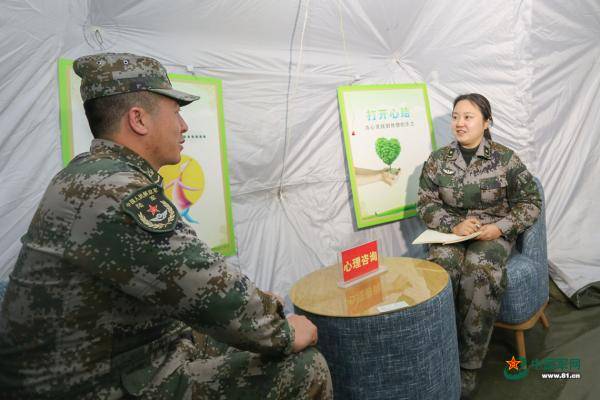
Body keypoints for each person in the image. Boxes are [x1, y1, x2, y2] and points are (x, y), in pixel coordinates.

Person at [0, 53, 332, 400]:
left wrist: (259, 308)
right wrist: (283, 330)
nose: (184, 126)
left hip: (102, 356)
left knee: (221, 332)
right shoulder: (115, 191)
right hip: (87, 383)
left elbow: (185, 282)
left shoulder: (88, 174)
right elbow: (208, 286)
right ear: (139, 119)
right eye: (176, 113)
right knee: (304, 367)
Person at [417, 93, 541, 397]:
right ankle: (440, 353)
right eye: (456, 116)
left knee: (480, 270)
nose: (460, 123)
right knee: (440, 270)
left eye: (468, 117)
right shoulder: (438, 160)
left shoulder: (505, 158)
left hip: (492, 235)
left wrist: (499, 228)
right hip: (452, 234)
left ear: (486, 122)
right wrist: (452, 225)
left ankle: (468, 365)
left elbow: (530, 201)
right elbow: (425, 203)